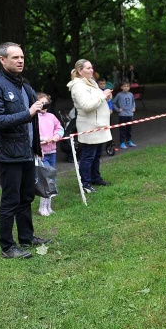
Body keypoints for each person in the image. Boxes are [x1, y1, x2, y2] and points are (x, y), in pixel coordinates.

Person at [0, 42, 52, 259]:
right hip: (8, 153)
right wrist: (28, 112)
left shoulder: (23, 85)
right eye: (15, 58)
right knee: (10, 200)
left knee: (26, 196)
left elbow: (33, 120)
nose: (20, 60)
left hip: (26, 151)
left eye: (22, 57)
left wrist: (36, 145)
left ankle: (26, 237)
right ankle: (7, 247)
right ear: (3, 60)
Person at [67, 58, 113, 193]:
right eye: (88, 68)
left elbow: (97, 99)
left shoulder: (91, 82)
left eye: (91, 67)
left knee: (98, 154)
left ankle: (95, 178)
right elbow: (87, 106)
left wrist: (106, 97)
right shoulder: (78, 86)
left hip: (100, 125)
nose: (91, 70)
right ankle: (85, 184)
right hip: (89, 127)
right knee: (88, 156)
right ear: (80, 71)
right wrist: (103, 96)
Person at [36, 92, 64, 216]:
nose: (44, 105)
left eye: (46, 103)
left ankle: (48, 206)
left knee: (51, 179)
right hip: (41, 153)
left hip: (52, 152)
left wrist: (56, 136)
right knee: (45, 179)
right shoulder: (33, 118)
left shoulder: (52, 116)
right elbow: (31, 135)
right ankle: (42, 207)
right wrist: (43, 139)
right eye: (41, 103)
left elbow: (60, 128)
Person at [112, 81, 137, 149]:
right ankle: (122, 142)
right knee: (122, 129)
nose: (126, 87)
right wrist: (117, 109)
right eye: (124, 86)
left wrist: (133, 108)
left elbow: (133, 102)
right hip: (122, 115)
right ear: (121, 87)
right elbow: (113, 102)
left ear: (129, 87)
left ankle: (129, 141)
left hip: (130, 114)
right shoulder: (119, 95)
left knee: (129, 129)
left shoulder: (131, 94)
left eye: (127, 86)